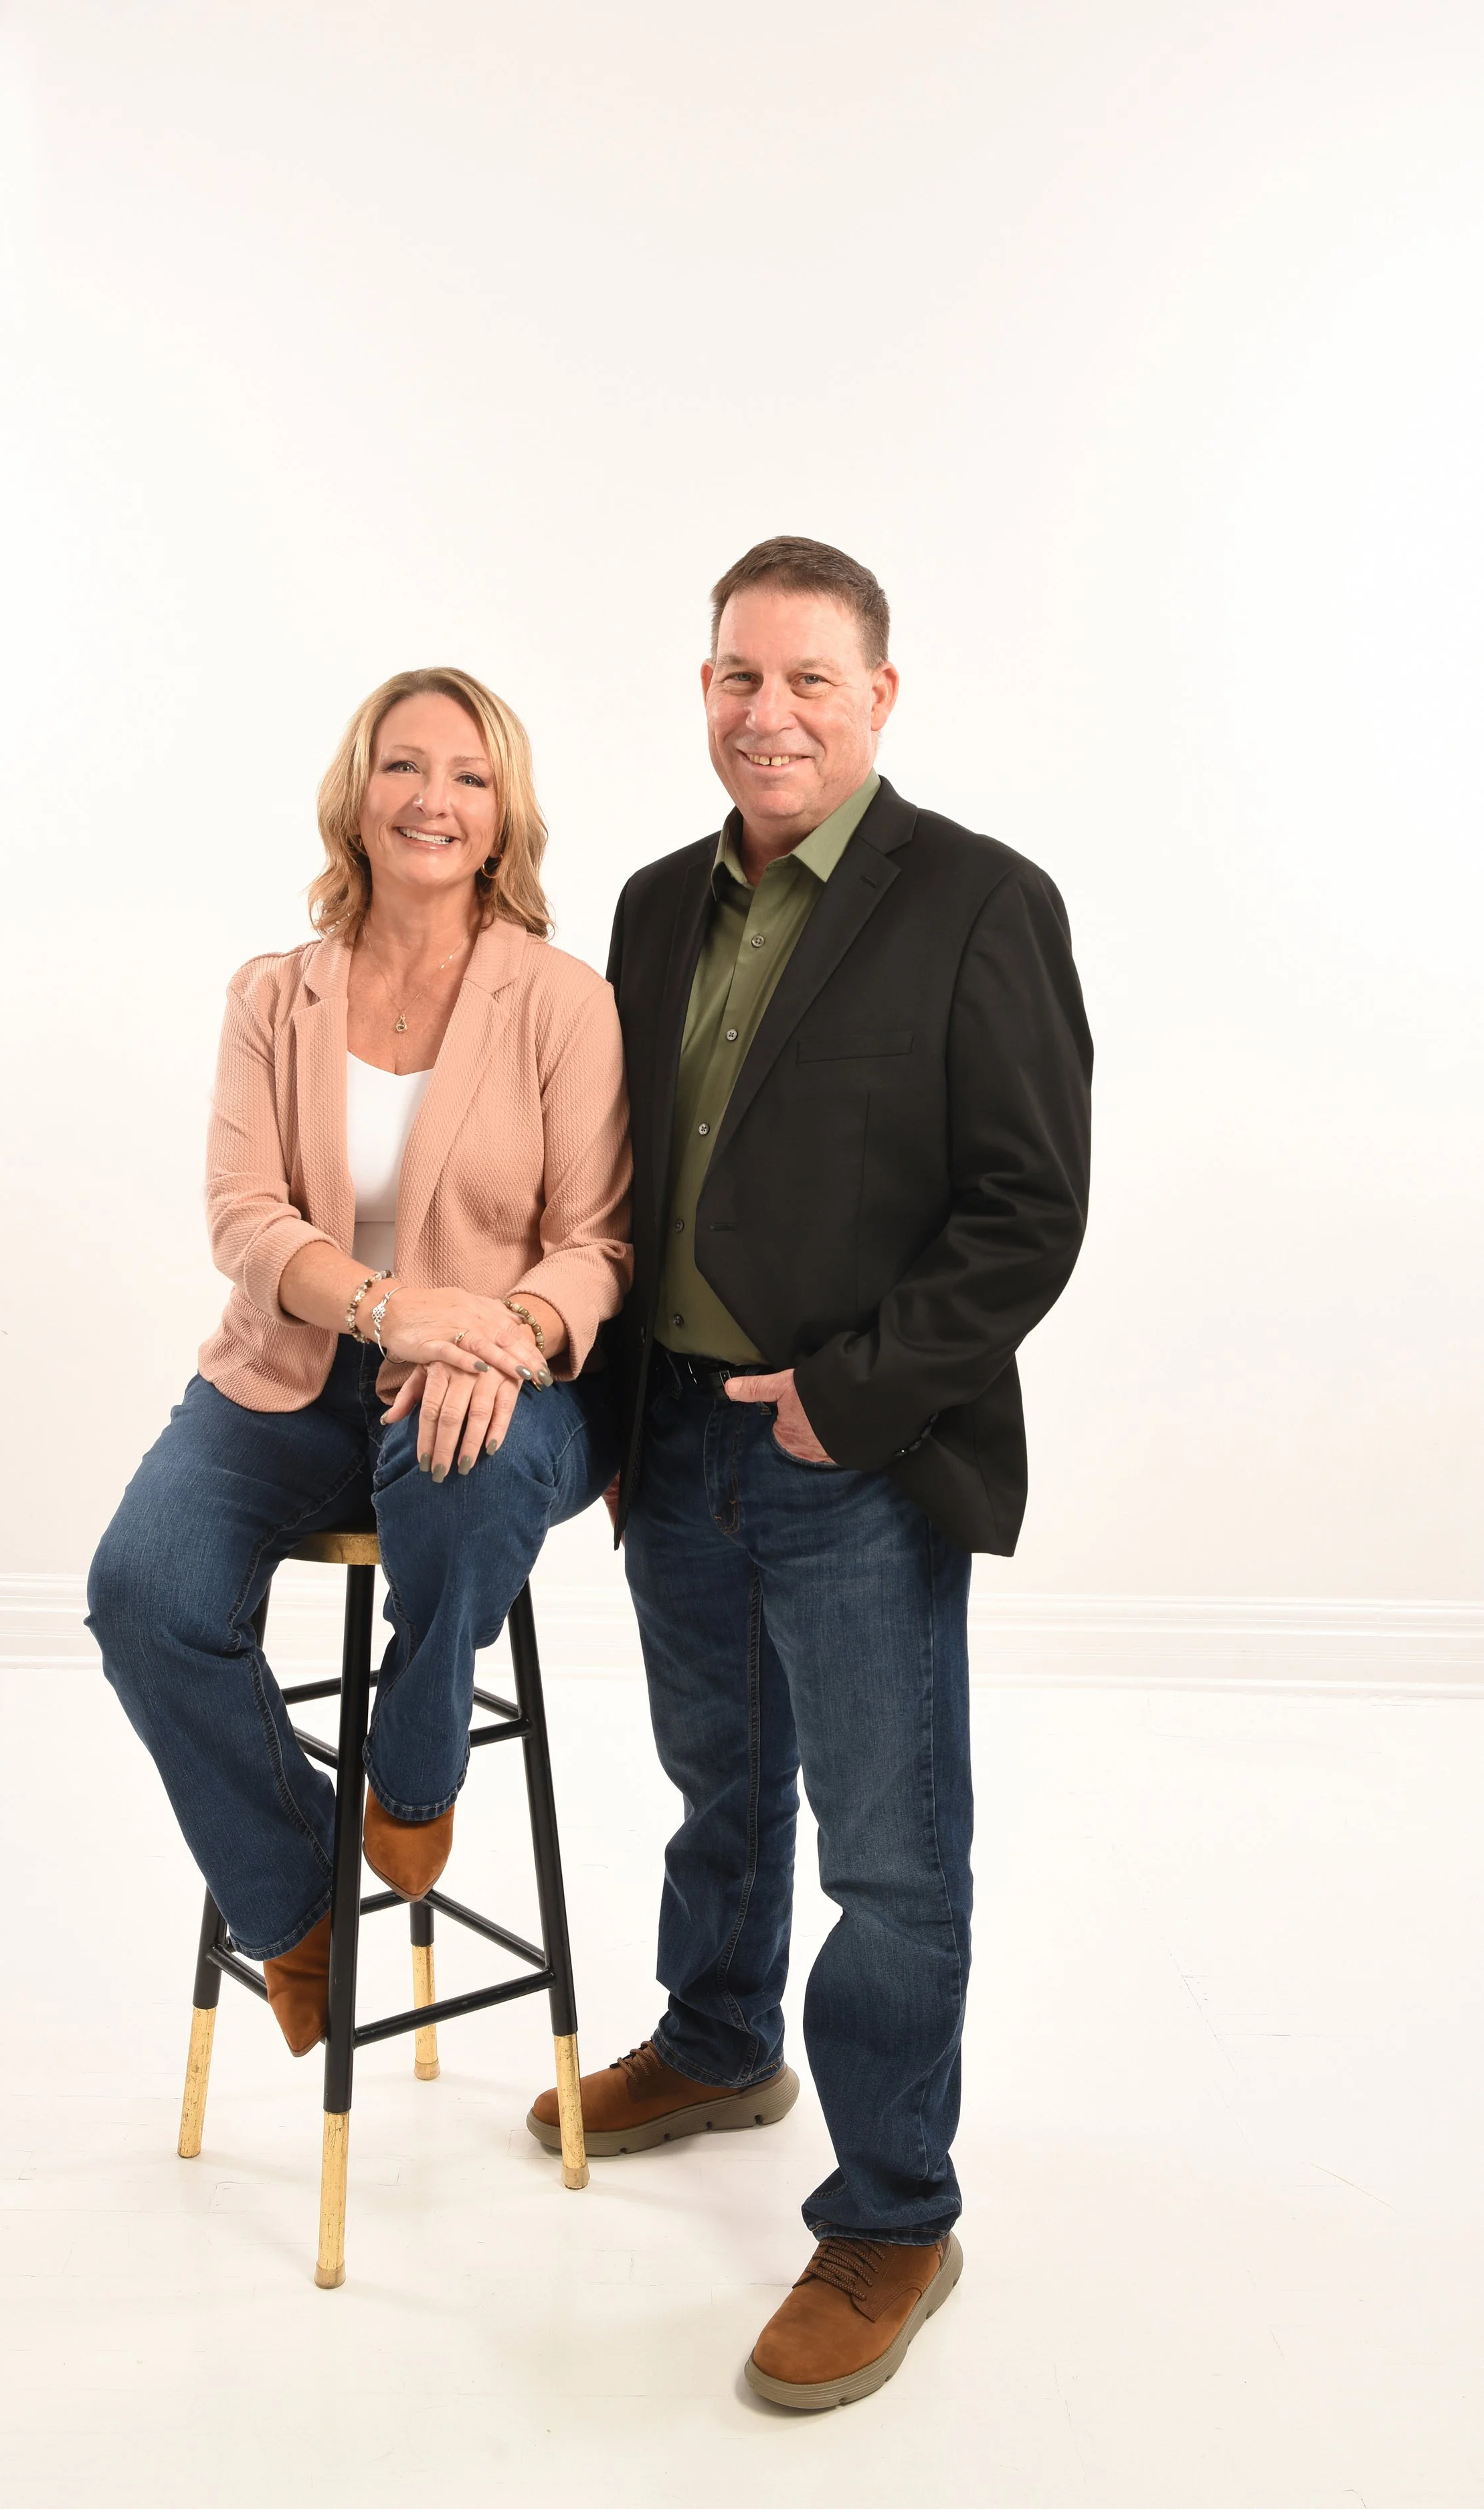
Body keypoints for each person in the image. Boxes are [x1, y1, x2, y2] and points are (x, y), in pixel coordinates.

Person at [527, 538, 1093, 2411]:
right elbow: (613, 1174)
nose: (765, 714)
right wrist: (606, 1409)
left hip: (842, 1451)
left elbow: (1026, 1210)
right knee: (718, 1775)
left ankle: (891, 2212)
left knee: (888, 1850)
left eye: (806, 681)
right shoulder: (647, 903)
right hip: (668, 1431)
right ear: (702, 690)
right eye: (734, 678)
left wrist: (844, 1398)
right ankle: (715, 2039)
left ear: (879, 697)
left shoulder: (979, 901)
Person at [89, 667, 630, 2059]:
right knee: (141, 1590)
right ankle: (295, 1897)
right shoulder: (277, 995)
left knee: (457, 1465)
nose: (431, 799)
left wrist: (501, 1335)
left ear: (503, 816)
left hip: (511, 1381)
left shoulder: (562, 1001)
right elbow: (244, 1218)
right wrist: (396, 1311)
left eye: (466, 775)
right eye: (403, 767)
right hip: (284, 1374)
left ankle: (414, 1759)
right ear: (356, 794)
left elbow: (600, 1239)